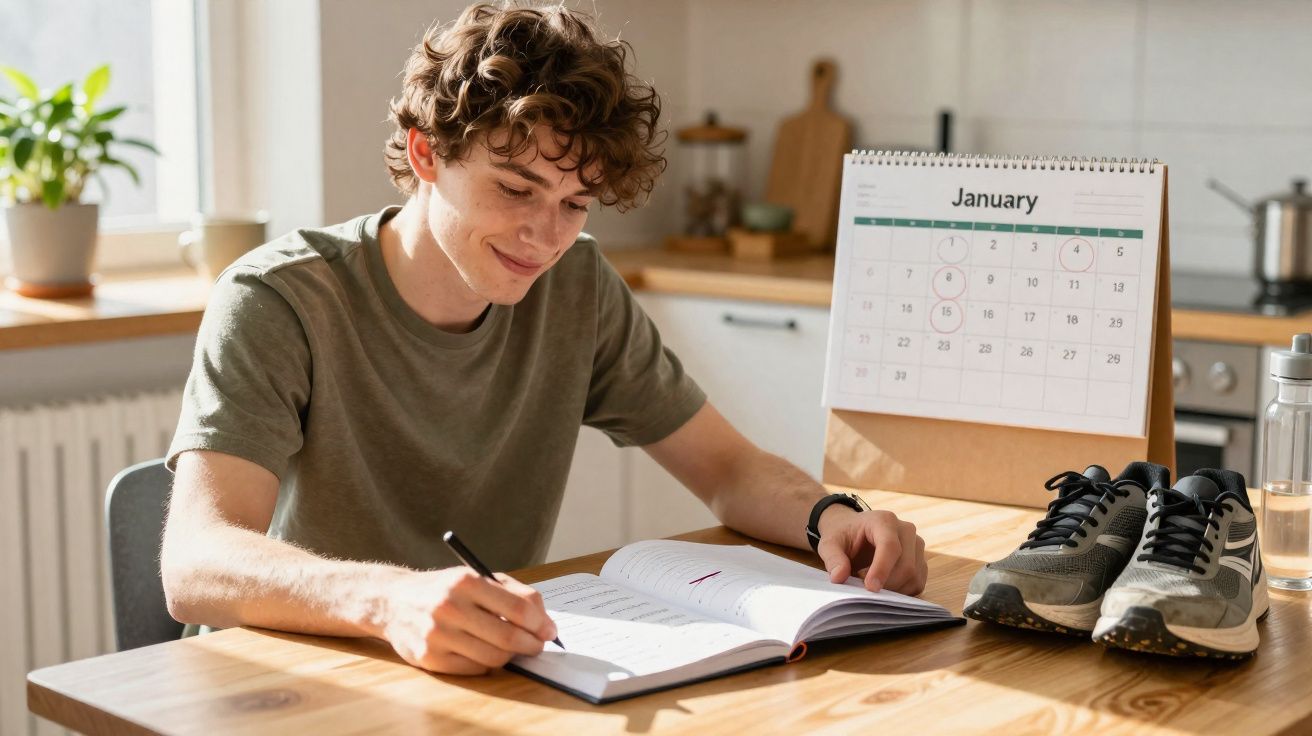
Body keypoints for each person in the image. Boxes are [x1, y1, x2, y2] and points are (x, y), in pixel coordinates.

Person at [160, 2, 928, 677]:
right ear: (426, 153)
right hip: (288, 679)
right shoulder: (278, 298)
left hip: (481, 671)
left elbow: (727, 469)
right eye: (516, 189)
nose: (544, 236)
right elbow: (197, 559)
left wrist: (833, 518)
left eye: (575, 202)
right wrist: (391, 598)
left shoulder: (576, 288)